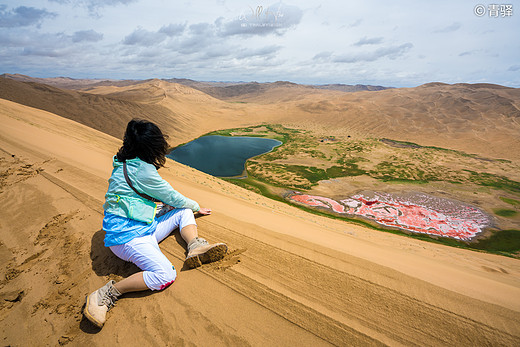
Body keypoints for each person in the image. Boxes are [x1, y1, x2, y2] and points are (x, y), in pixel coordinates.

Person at [83, 119, 227, 328]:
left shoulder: (124, 161)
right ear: (152, 146)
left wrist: (181, 208)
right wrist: (197, 206)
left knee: (182, 210)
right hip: (128, 240)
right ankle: (108, 293)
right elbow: (172, 196)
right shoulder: (143, 171)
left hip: (144, 226)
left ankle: (195, 245)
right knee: (165, 274)